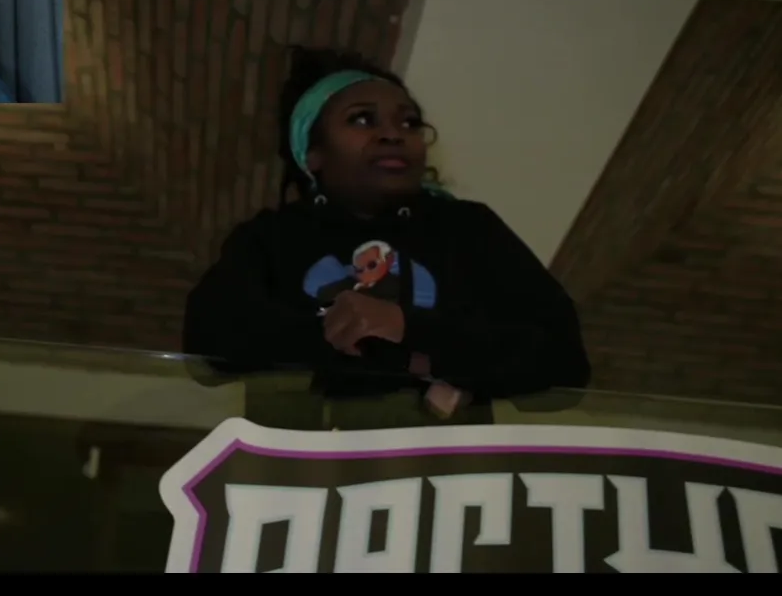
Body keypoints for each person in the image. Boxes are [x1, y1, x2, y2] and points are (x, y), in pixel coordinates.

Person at [183, 47, 590, 421]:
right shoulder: (271, 237)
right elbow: (211, 346)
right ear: (312, 153)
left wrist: (405, 327)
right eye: (362, 119)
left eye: (409, 123)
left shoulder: (469, 228)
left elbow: (563, 363)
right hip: (300, 468)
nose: (394, 134)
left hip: (446, 472)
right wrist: (421, 358)